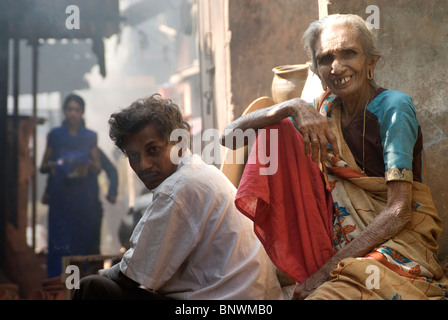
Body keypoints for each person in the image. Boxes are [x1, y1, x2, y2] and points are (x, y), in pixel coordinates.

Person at [221, 14, 448, 300]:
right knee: (274, 130)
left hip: (399, 244)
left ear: (371, 62)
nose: (337, 67)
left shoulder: (394, 108)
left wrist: (322, 274)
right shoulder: (319, 113)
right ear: (315, 69)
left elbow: (399, 211)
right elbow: (229, 137)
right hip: (340, 249)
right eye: (326, 58)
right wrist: (288, 107)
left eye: (348, 53)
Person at [72, 94, 283, 300]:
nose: (143, 165)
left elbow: (129, 275)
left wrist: (99, 275)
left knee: (92, 287)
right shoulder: (197, 173)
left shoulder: (178, 188)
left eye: (152, 150)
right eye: (133, 156)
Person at [40, 94, 102, 278]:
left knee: (80, 243)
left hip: (83, 199)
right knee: (58, 242)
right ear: (65, 112)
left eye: (77, 110)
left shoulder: (90, 137)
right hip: (60, 198)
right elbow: (43, 166)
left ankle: (77, 286)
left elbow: (98, 168)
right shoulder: (56, 135)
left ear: (82, 112)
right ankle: (57, 285)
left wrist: (87, 165)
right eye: (70, 109)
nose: (73, 113)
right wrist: (56, 165)